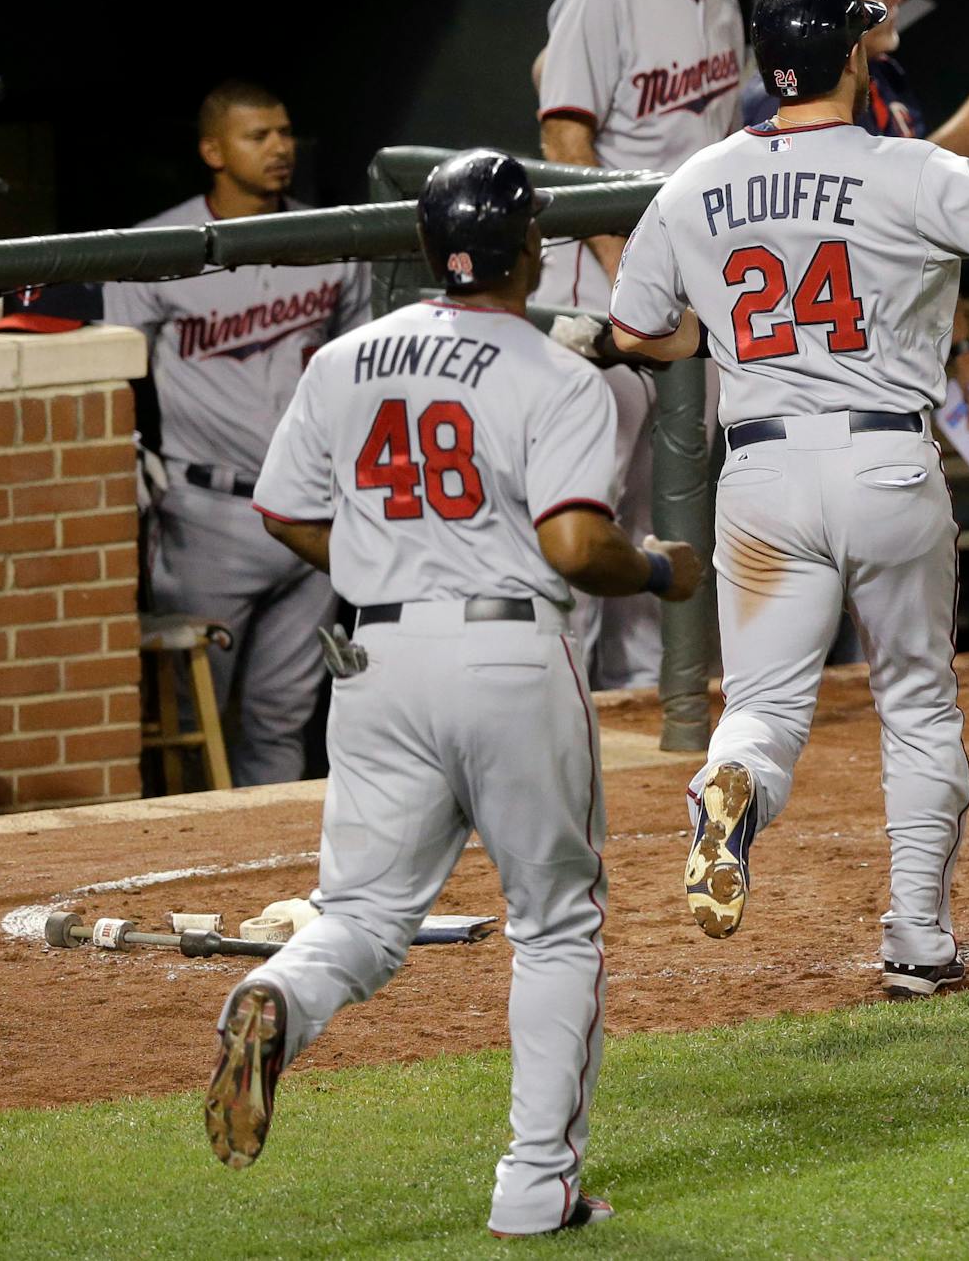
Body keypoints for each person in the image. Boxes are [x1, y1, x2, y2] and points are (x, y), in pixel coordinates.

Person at [202, 150, 701, 1237]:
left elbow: (284, 511)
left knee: (365, 919)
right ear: (529, 249)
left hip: (379, 667)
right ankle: (534, 1187)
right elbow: (575, 544)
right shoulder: (556, 376)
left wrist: (389, 562)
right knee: (557, 925)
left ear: (431, 252)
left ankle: (281, 996)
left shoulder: (343, 360)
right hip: (509, 657)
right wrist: (662, 571)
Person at [608, 0, 969, 995]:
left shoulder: (696, 179)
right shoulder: (905, 168)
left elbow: (637, 332)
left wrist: (723, 325)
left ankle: (731, 783)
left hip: (757, 469)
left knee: (759, 705)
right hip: (885, 455)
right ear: (851, 56)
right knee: (919, 706)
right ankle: (919, 941)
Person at [532, 0, 777, 689]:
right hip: (597, 290)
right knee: (588, 503)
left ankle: (646, 702)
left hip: (687, 287)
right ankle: (563, 699)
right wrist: (620, 272)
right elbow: (564, 140)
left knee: (665, 504)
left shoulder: (720, 2)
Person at [104, 80, 370, 786]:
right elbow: (111, 371)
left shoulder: (331, 235)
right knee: (196, 720)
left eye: (285, 133)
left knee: (284, 714)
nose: (280, 148)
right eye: (260, 136)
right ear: (212, 150)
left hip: (314, 510)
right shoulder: (156, 245)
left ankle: (277, 868)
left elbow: (359, 365)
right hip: (208, 514)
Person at [738, 0, 969, 419]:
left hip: (891, 353)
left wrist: (964, 349)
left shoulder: (883, 78)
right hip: (820, 374)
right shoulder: (778, 103)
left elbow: (921, 223)